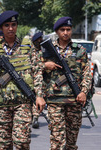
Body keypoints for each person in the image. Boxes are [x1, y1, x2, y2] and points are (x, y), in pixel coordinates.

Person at [0, 10, 46, 150]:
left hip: (22, 102)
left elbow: (38, 72)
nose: (11, 28)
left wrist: (39, 95)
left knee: (22, 142)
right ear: (1, 28)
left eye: (13, 24)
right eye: (7, 25)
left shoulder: (28, 46)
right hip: (1, 103)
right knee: (4, 145)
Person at [43, 17, 92, 150]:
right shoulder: (47, 50)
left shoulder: (80, 50)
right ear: (57, 32)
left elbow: (87, 73)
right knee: (57, 141)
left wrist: (83, 92)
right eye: (62, 30)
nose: (65, 32)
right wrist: (44, 65)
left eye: (68, 29)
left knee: (71, 142)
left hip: (74, 101)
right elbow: (34, 70)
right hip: (55, 101)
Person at [31, 32, 44, 129]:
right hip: (31, 79)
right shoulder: (30, 51)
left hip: (41, 79)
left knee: (38, 98)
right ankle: (34, 117)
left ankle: (35, 117)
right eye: (39, 40)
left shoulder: (43, 50)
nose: (40, 41)